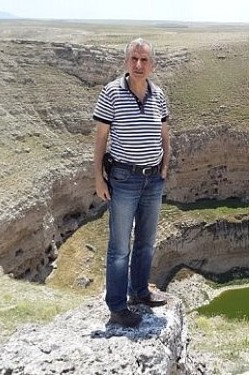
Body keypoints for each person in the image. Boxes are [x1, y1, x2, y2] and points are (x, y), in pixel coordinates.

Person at [93, 37, 171, 328]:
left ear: (153, 64)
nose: (139, 65)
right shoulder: (112, 92)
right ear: (127, 61)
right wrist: (97, 176)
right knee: (120, 247)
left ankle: (139, 292)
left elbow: (164, 134)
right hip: (123, 178)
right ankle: (116, 306)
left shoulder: (158, 94)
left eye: (145, 60)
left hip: (153, 179)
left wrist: (165, 165)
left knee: (147, 242)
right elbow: (101, 137)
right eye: (134, 59)